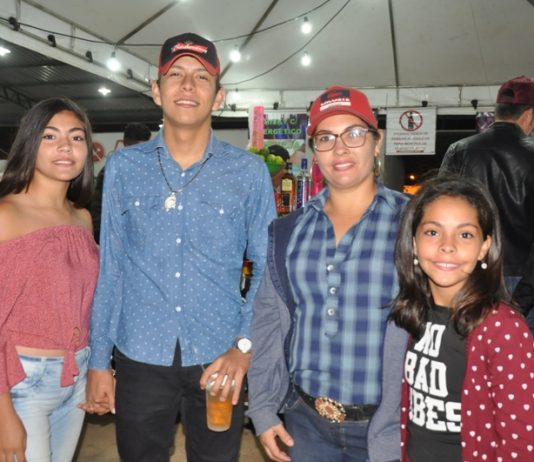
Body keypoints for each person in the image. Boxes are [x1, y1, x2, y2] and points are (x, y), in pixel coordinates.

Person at [82, 32, 276, 462]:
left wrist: (244, 347)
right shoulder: (124, 167)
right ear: (156, 90)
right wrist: (98, 361)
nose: (188, 86)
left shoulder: (248, 172)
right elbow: (112, 267)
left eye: (201, 77)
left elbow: (267, 268)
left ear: (219, 96)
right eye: (176, 75)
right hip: (140, 355)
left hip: (219, 357)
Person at [247, 85, 410, 462]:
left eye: (353, 134)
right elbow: (268, 321)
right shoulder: (288, 231)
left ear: (377, 142)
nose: (340, 148)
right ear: (314, 150)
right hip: (305, 425)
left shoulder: (415, 222)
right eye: (326, 138)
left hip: (388, 429)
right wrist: (264, 407)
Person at [389, 175, 534, 461]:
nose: (447, 245)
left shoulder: (502, 328)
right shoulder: (412, 313)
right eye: (433, 232)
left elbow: (522, 440)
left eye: (465, 234)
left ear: (484, 247)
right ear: (414, 243)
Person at [0, 97, 99, 461]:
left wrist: (98, 371)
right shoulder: (6, 215)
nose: (65, 147)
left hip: (76, 376)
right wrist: (2, 413)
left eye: (76, 137)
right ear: (30, 143)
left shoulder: (82, 218)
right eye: (50, 136)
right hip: (21, 382)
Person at [439, 75, 534, 333]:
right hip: (521, 277)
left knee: (466, 351)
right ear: (529, 114)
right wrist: (522, 300)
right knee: (518, 356)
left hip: (469, 272)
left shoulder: (459, 150)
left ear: (498, 111)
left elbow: (438, 216)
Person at [91, 122, 151, 243]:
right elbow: (98, 209)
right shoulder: (110, 172)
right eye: (135, 149)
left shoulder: (153, 172)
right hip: (118, 240)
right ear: (125, 144)